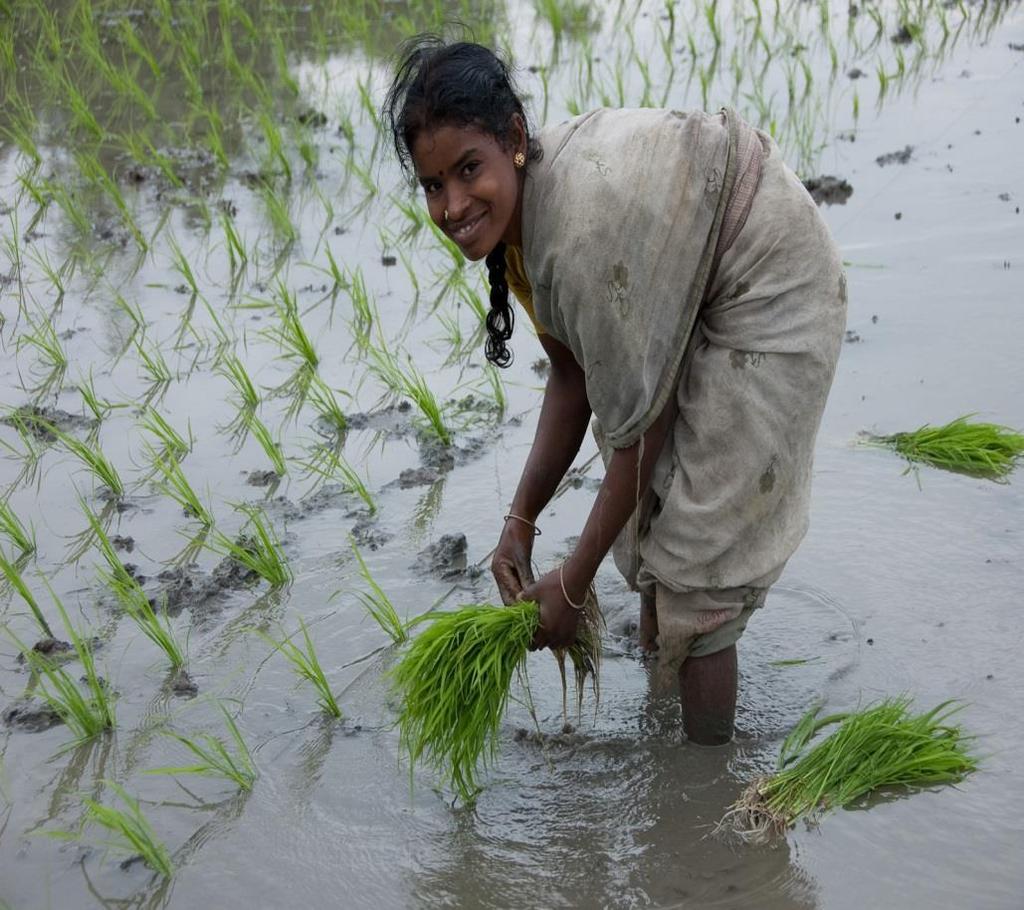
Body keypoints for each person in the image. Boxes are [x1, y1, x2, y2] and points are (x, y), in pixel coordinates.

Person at [383, 38, 846, 745]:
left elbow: (640, 430)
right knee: (648, 524)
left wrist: (571, 585)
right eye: (432, 185)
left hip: (766, 281)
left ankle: (702, 798)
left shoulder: (576, 238)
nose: (451, 206)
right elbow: (571, 376)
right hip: (699, 279)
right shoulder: (521, 231)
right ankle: (673, 718)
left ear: (513, 139)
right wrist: (521, 519)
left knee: (697, 571)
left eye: (467, 169)